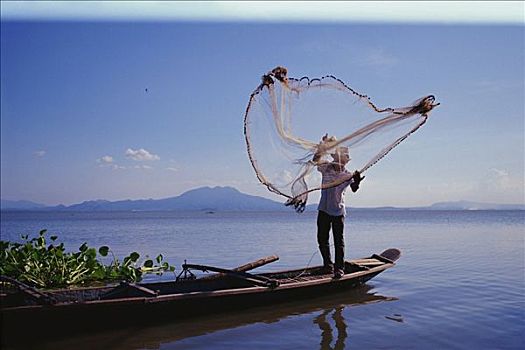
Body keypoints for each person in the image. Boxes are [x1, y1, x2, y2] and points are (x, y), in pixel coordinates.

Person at [316, 140, 364, 279]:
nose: (342, 162)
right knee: (322, 239)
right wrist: (321, 148)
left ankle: (339, 269)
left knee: (339, 241)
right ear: (335, 159)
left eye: (344, 160)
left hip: (338, 211)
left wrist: (357, 181)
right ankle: (327, 266)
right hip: (323, 209)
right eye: (340, 159)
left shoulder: (347, 175)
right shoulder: (326, 167)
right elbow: (315, 160)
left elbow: (354, 189)